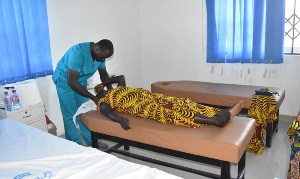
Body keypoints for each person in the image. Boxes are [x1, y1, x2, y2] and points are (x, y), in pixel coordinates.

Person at [94, 75, 243, 130]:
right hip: (146, 107)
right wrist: (120, 120)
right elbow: (108, 113)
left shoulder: (118, 89)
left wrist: (104, 82)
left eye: (100, 89)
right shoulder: (104, 103)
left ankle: (221, 112)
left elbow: (120, 77)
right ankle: (216, 122)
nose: (100, 91)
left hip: (153, 97)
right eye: (98, 92)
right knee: (171, 113)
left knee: (183, 102)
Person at [52, 39, 114, 149]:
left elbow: (103, 74)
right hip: (64, 80)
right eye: (103, 57)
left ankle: (92, 140)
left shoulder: (99, 55)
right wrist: (92, 97)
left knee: (85, 110)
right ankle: (75, 146)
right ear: (97, 49)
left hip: (79, 81)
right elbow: (71, 82)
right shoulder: (78, 53)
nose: (103, 59)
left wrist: (111, 91)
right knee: (70, 114)